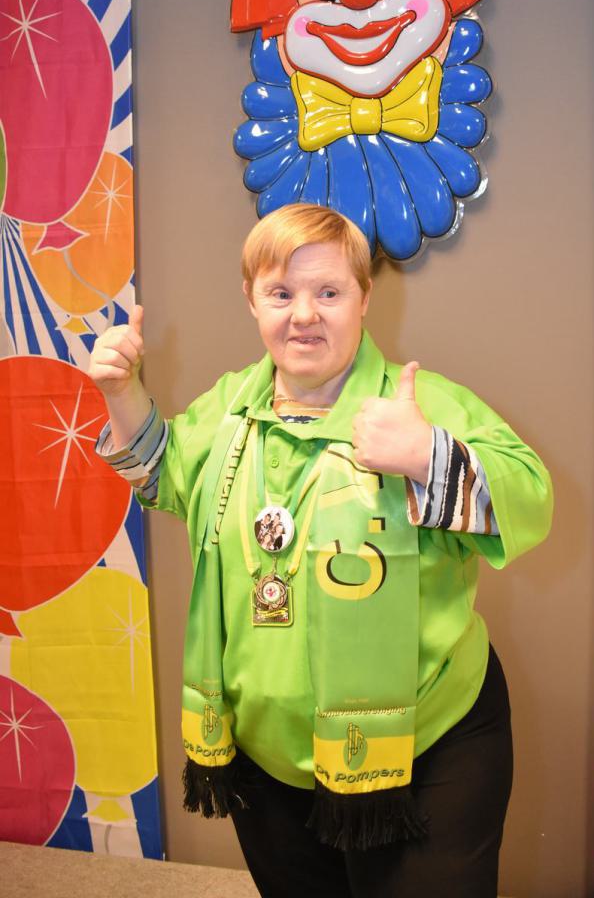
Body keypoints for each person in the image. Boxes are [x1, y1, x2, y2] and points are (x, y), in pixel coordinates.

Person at [89, 203, 553, 898]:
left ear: (364, 298)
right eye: (280, 293)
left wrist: (426, 456)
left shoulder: (422, 405)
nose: (303, 314)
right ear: (251, 300)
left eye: (328, 292)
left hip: (427, 748)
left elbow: (532, 500)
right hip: (269, 756)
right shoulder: (229, 409)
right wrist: (121, 391)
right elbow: (164, 476)